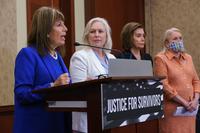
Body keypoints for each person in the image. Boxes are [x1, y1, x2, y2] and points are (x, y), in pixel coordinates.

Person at [14, 7, 72, 133]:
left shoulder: (58, 57)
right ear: (46, 30)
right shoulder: (27, 54)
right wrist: (52, 86)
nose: (65, 29)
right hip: (36, 126)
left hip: (58, 124)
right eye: (59, 25)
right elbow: (22, 93)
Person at [69, 17, 116, 133]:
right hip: (87, 121)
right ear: (87, 36)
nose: (96, 35)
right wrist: (93, 83)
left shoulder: (112, 58)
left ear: (106, 36)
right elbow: (77, 90)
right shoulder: (80, 57)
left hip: (109, 118)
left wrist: (94, 81)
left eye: (100, 31)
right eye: (92, 31)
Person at [154, 27, 200, 133]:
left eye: (180, 38)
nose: (179, 41)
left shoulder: (188, 58)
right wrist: (184, 102)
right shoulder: (160, 58)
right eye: (175, 39)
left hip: (190, 110)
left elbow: (196, 81)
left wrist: (195, 100)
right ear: (166, 43)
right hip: (173, 111)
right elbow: (164, 85)